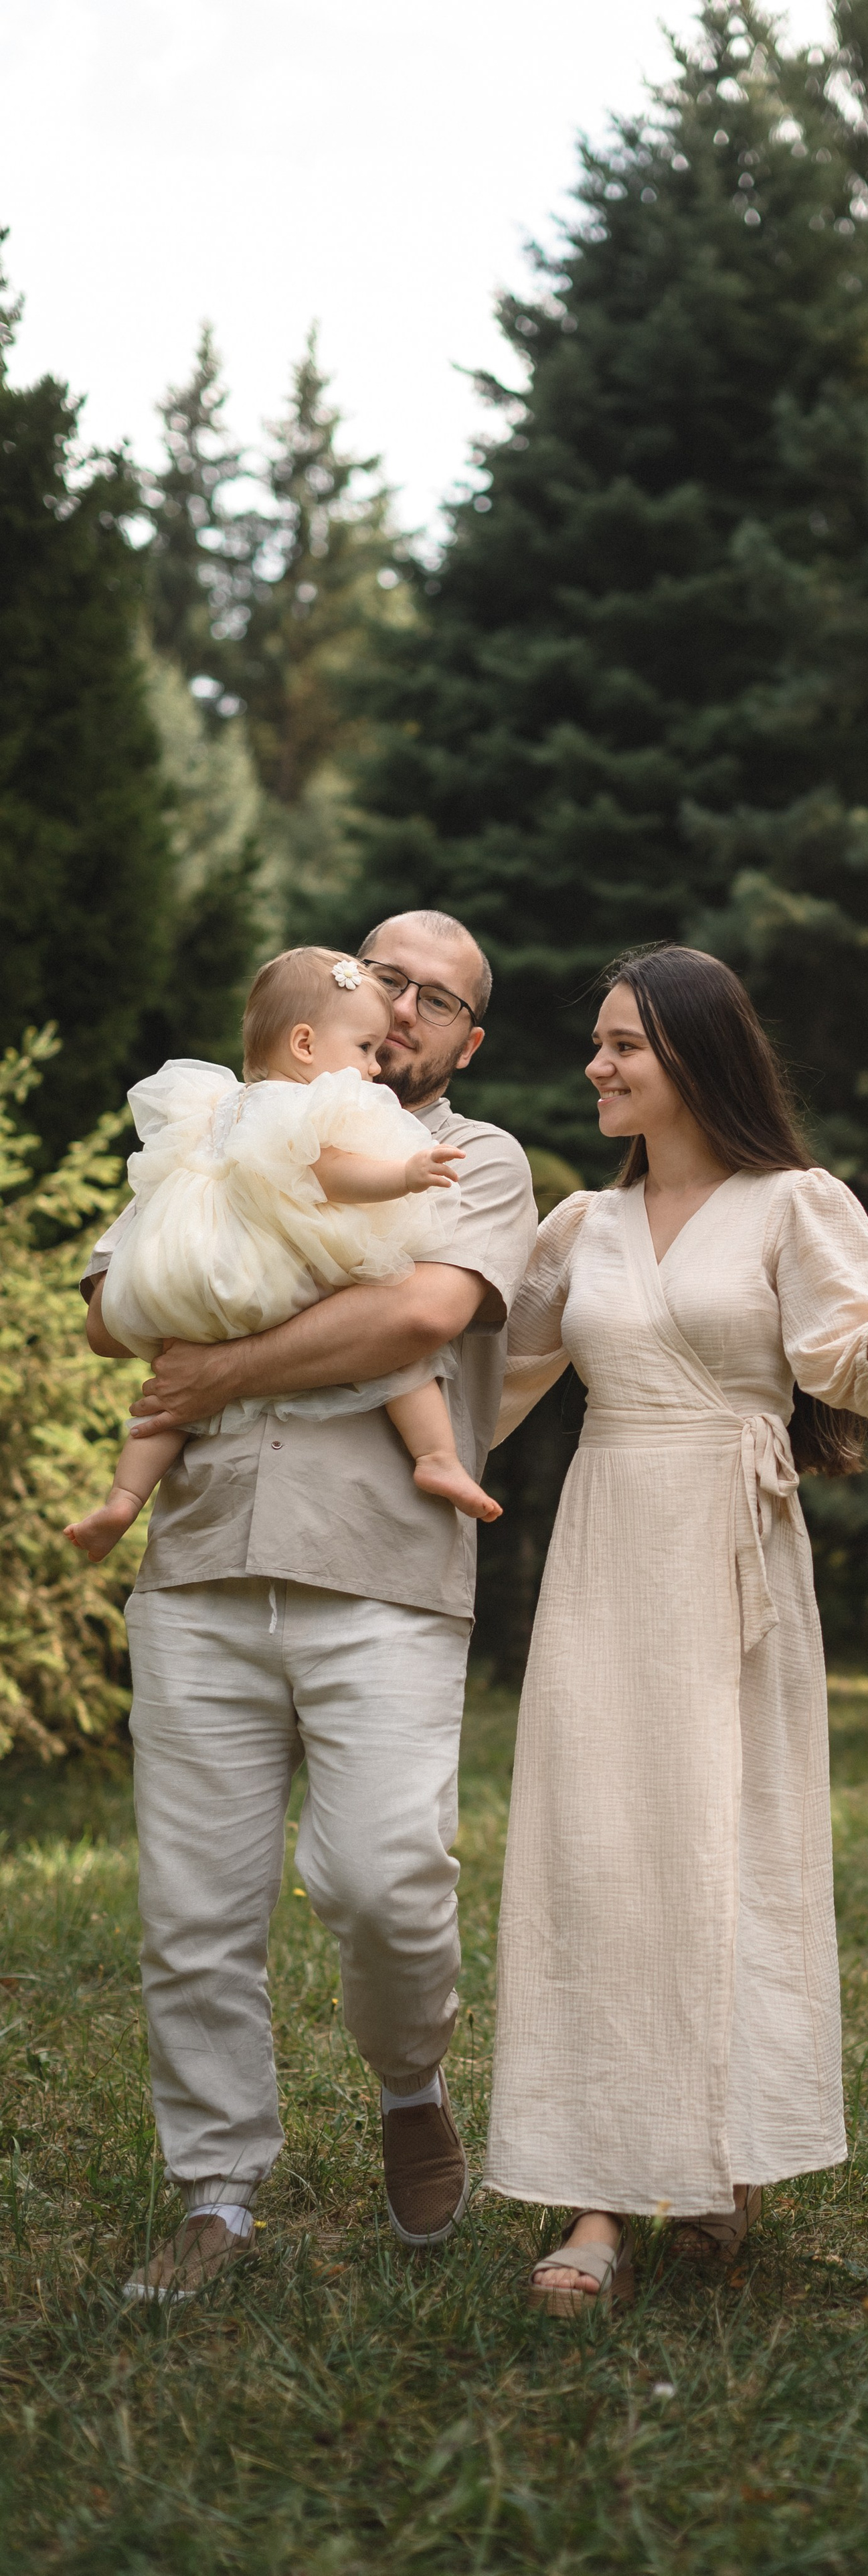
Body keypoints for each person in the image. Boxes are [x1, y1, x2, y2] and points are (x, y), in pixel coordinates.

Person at [484, 943, 868, 2314]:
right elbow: (478, 1381)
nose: (594, 1065)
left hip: (734, 1549)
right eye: (597, 1042)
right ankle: (596, 2196)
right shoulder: (579, 1226)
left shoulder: (793, 1203)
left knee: (727, 1843)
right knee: (595, 1850)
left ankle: (721, 2157)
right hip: (605, 1550)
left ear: (696, 1055)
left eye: (621, 1044)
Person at [82, 910, 536, 2305]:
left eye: (435, 999)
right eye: (384, 977)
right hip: (201, 1562)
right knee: (192, 1908)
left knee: (384, 1878)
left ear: (467, 1039)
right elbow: (112, 1299)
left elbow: (414, 1316)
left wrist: (216, 1362)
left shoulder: (474, 1158)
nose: (402, 1007)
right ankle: (215, 2190)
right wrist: (196, 1293)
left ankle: (410, 2081)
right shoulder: (223, 1121)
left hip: (383, 1568)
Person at [67, 947, 499, 1565]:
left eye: (434, 1000)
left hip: (185, 1273)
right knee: (387, 1330)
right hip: (267, 1270)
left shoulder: (217, 1105)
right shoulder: (304, 1107)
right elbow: (332, 1174)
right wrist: (404, 1174)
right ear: (304, 1044)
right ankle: (436, 1456)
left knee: (174, 1392)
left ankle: (123, 1498)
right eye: (364, 1048)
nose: (373, 1065)